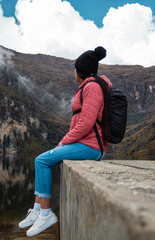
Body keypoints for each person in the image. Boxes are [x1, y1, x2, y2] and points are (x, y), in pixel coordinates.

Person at [18, 46, 112, 237]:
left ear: (81, 70)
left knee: (42, 160)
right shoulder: (88, 85)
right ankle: (37, 210)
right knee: (43, 160)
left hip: (91, 146)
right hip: (86, 143)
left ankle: (46, 214)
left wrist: (64, 141)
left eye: (75, 67)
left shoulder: (92, 87)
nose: (73, 71)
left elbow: (86, 123)